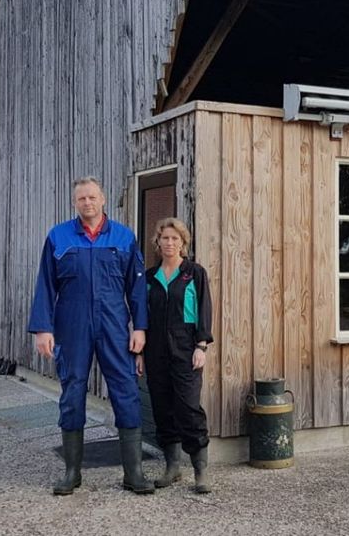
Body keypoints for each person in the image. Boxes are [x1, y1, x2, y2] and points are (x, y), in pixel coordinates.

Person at [28, 176, 154, 496]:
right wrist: (44, 328)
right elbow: (46, 284)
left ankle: (134, 473)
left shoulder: (124, 237)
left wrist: (139, 327)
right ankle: (72, 472)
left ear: (103, 200)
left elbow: (137, 289)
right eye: (81, 198)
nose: (87, 203)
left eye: (92, 197)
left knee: (125, 390)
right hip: (71, 324)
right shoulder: (58, 237)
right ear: (75, 203)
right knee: (72, 392)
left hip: (113, 324)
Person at [138, 217, 213, 494]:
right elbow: (141, 317)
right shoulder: (148, 278)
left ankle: (200, 470)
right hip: (155, 351)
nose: (170, 243)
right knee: (162, 407)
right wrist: (140, 352)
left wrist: (201, 345)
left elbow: (204, 310)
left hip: (186, 349)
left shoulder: (194, 273)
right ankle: (172, 466)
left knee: (189, 408)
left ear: (183, 243)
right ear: (157, 243)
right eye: (165, 238)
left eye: (175, 239)